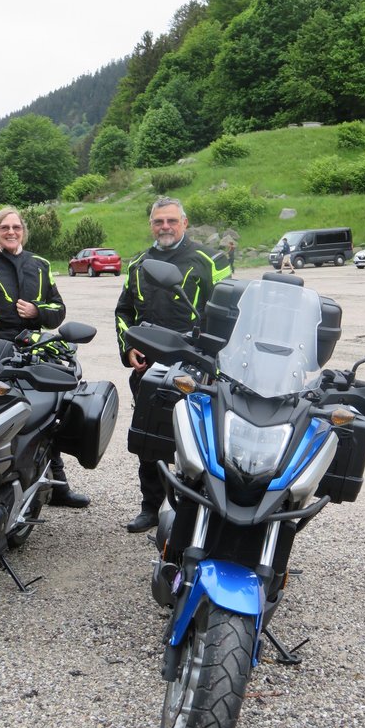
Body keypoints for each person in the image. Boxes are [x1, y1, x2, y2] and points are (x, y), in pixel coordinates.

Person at [0, 206, 90, 508]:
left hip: (32, 348)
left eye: (16, 227)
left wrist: (37, 312)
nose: (11, 232)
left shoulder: (40, 265)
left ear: (23, 231)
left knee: (47, 414)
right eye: (5, 227)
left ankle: (56, 485)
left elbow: (59, 310)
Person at [115, 197, 231, 533]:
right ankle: (151, 507)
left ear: (185, 222)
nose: (165, 227)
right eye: (158, 222)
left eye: (171, 221)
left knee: (199, 440)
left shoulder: (210, 260)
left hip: (195, 363)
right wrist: (129, 347)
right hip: (148, 364)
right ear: (151, 225)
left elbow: (229, 313)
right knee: (150, 438)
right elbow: (123, 311)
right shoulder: (139, 263)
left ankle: (195, 511)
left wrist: (211, 356)